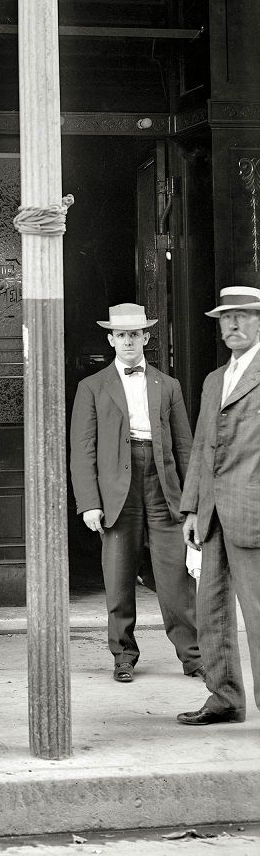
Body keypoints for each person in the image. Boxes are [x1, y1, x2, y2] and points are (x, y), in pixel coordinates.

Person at [69, 302, 201, 683]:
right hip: (116, 489)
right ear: (111, 340)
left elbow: (185, 447)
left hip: (163, 486)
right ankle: (123, 655)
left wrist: (191, 503)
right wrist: (90, 503)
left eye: (135, 334)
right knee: (119, 575)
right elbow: (83, 450)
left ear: (146, 337)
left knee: (175, 576)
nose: (128, 340)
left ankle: (192, 656)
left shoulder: (168, 384)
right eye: (121, 334)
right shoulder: (92, 387)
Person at [178, 285, 260, 726]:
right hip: (212, 516)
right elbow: (202, 450)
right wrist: (192, 508)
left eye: (243, 316)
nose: (232, 324)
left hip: (253, 512)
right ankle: (224, 699)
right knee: (210, 611)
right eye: (226, 318)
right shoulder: (214, 381)